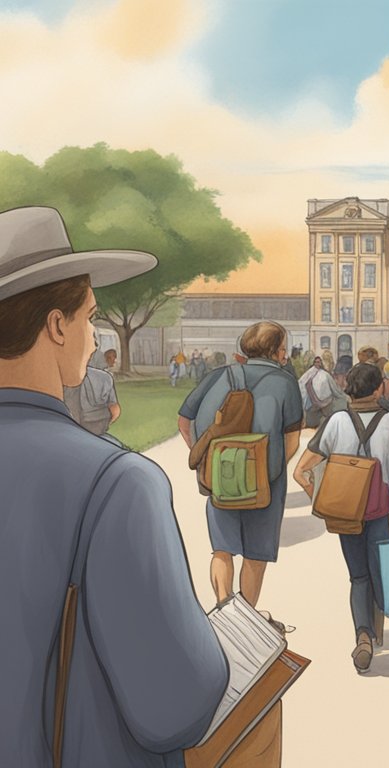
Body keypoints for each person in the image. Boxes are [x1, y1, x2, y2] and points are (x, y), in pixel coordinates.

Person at [0, 205, 228, 764]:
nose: (93, 333)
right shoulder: (118, 484)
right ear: (57, 325)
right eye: (89, 316)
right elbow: (176, 706)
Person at [294, 363, 389, 673]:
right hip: (382, 511)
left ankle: (362, 636)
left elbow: (301, 470)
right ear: (377, 390)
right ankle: (377, 629)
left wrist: (319, 501)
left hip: (346, 513)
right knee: (379, 571)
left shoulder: (335, 422)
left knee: (358, 576)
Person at [179, 321, 304, 609]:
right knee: (256, 556)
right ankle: (246, 618)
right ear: (275, 351)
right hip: (266, 484)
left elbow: (185, 421)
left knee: (222, 550)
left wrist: (207, 460)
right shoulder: (286, 383)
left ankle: (223, 607)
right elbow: (293, 440)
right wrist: (263, 468)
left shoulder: (218, 376)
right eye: (283, 347)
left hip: (220, 476)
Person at [64, 349, 121, 437]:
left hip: (68, 432)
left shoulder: (60, 378)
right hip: (97, 431)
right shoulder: (105, 378)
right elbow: (115, 410)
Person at [299, 355, 343, 430]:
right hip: (311, 403)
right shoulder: (310, 373)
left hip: (322, 403)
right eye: (316, 362)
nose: (317, 364)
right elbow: (302, 383)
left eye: (319, 362)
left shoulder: (325, 374)